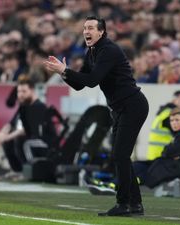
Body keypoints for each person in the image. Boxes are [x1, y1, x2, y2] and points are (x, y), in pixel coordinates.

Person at [44, 16, 149, 217]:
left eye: (91, 28)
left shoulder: (108, 50)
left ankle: (124, 204)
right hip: (120, 108)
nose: (86, 32)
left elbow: (92, 81)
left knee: (119, 155)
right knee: (121, 156)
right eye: (84, 28)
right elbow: (80, 84)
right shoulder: (91, 51)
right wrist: (63, 73)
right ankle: (135, 204)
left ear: (102, 31)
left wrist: (67, 70)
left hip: (133, 105)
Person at [0, 76, 57, 181]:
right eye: (19, 91)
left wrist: (7, 137)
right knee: (9, 141)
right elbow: (11, 123)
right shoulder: (24, 107)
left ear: (32, 90)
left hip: (45, 143)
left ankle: (30, 172)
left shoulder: (38, 106)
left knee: (22, 141)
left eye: (24, 91)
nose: (20, 95)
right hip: (31, 139)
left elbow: (26, 130)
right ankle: (17, 170)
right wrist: (2, 134)